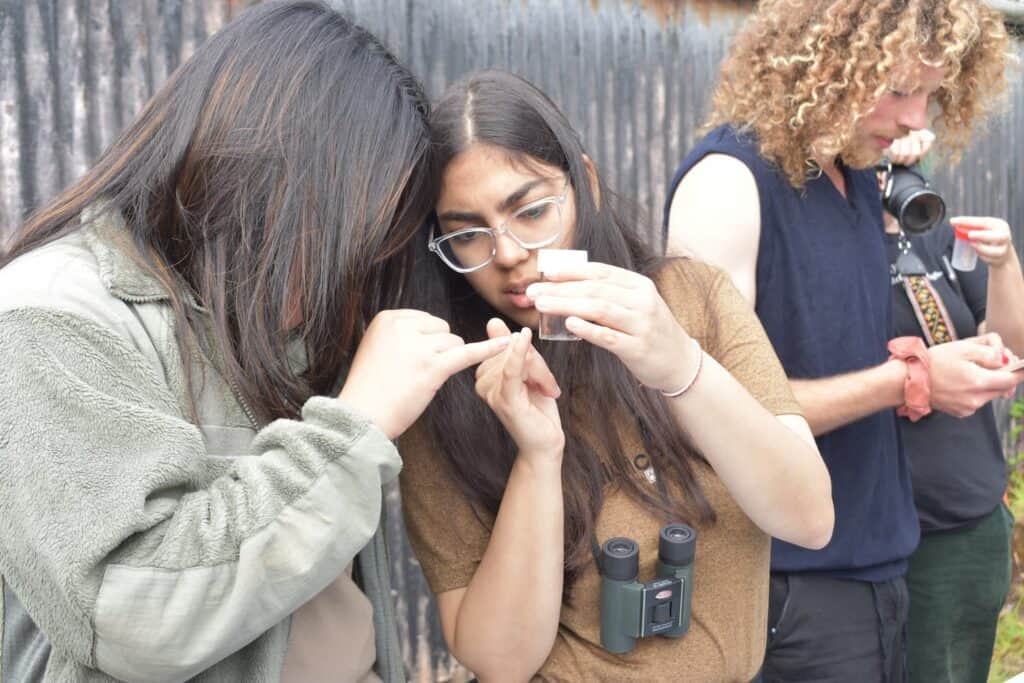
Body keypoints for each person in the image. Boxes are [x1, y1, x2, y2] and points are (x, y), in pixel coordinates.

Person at [0, 2, 510, 681]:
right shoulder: (55, 316)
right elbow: (132, 610)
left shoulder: (270, 313)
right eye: (347, 233)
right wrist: (353, 426)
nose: (352, 268)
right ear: (265, 177)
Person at [396, 68, 833, 683]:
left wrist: (681, 368)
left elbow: (809, 518)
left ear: (586, 183)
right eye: (468, 234)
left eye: (532, 210)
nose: (512, 251)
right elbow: (499, 660)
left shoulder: (690, 296)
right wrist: (538, 459)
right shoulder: (449, 379)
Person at [665, 1, 1018, 680]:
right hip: (786, 589)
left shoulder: (855, 183)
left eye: (930, 93)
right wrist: (910, 381)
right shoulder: (726, 183)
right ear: (823, 65)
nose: (919, 118)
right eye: (897, 89)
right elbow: (705, 410)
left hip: (878, 572)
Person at [883, 130, 1021, 683]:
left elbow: (1011, 352)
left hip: (969, 522)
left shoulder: (932, 236)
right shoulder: (831, 253)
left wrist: (1005, 262)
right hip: (891, 529)